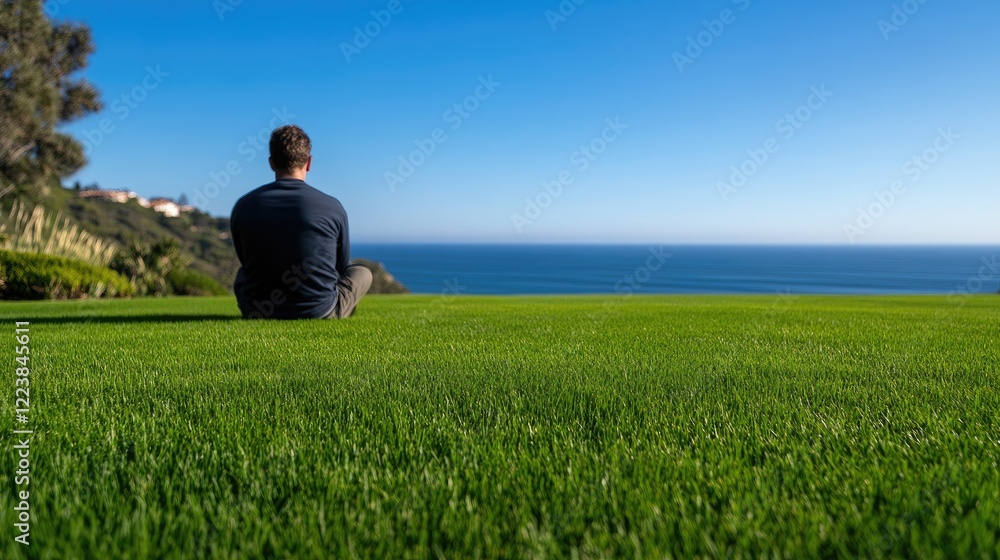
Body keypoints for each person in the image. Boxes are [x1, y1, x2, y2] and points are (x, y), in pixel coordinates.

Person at [230, 125, 371, 319]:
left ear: (271, 163)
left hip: (259, 311)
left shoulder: (244, 206)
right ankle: (340, 312)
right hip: (319, 311)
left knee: (241, 274)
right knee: (362, 273)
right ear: (309, 162)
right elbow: (341, 265)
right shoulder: (332, 206)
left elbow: (246, 261)